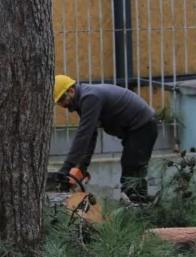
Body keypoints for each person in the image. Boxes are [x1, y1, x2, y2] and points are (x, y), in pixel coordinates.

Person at [53, 74, 159, 202]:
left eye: (61, 100)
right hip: (136, 129)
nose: (62, 105)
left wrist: (66, 167)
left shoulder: (90, 97)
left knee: (132, 170)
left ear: (71, 91)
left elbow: (83, 135)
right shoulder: (84, 99)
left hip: (143, 126)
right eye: (59, 103)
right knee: (131, 169)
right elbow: (90, 136)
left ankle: (137, 208)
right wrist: (82, 168)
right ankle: (140, 206)